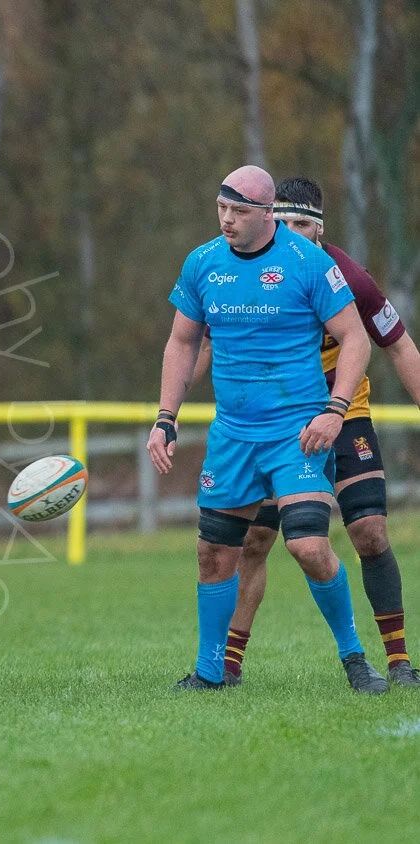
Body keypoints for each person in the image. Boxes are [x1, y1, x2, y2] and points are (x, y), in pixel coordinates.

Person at [147, 165, 387, 693]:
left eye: (237, 212)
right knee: (214, 554)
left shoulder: (309, 262)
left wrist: (335, 409)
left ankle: (354, 658)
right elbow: (183, 342)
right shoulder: (203, 263)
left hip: (295, 432)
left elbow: (356, 339)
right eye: (221, 209)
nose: (226, 220)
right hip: (233, 434)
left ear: (266, 213)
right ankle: (211, 672)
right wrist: (166, 418)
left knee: (307, 546)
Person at [204, 178, 418, 688]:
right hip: (279, 420)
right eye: (284, 223)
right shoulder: (247, 271)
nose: (290, 233)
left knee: (369, 531)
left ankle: (400, 662)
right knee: (255, 538)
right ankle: (227, 667)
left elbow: (401, 348)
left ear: (320, 231)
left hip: (344, 414)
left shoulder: (350, 279)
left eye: (302, 224)